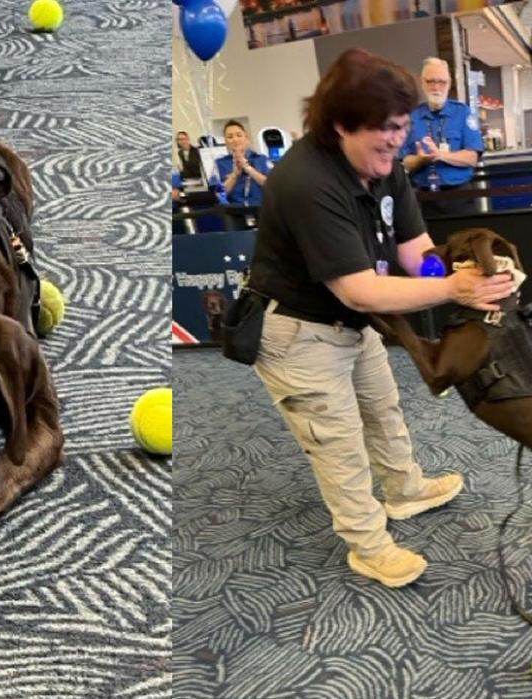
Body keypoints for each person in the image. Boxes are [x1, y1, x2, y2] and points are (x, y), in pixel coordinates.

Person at [247, 48, 515, 588]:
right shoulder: (306, 182)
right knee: (338, 444)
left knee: (382, 409)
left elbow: (416, 253)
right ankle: (367, 546)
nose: (398, 138)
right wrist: (452, 289)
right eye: (386, 128)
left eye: (402, 125)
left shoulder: (384, 167)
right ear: (342, 123)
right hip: (296, 331)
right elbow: (362, 289)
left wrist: (467, 275)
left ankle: (404, 490)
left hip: (351, 321)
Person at [399, 57, 484, 217]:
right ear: (422, 83)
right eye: (430, 81)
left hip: (459, 197)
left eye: (441, 82)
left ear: (449, 83)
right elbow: (404, 162)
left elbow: (472, 157)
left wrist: (441, 156)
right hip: (423, 199)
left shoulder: (463, 113)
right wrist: (421, 160)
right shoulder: (411, 117)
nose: (436, 87)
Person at [214, 120, 270, 207]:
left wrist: (248, 168)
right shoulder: (219, 164)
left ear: (246, 137)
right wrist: (235, 175)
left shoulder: (261, 159)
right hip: (234, 213)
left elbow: (271, 185)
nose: (235, 139)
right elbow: (219, 194)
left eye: (239, 135)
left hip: (261, 210)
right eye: (230, 137)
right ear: (225, 141)